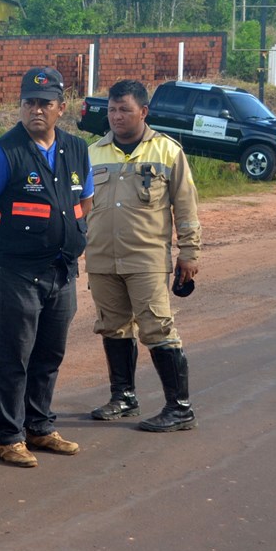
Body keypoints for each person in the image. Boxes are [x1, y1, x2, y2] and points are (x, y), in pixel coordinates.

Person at [0, 66, 93, 468]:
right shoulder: (3, 153)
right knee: (15, 357)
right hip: (18, 274)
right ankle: (9, 436)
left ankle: (39, 427)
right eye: (29, 103)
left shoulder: (76, 149)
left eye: (45, 103)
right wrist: (8, 240)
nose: (36, 110)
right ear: (20, 107)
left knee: (49, 355)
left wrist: (71, 233)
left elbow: (85, 201)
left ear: (60, 108)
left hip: (60, 271)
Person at [84, 78, 202, 433]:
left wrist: (189, 251)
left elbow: (185, 205)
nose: (117, 117)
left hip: (146, 259)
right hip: (102, 259)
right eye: (112, 110)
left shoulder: (167, 151)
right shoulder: (93, 153)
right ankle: (124, 397)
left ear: (143, 112)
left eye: (125, 110)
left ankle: (179, 408)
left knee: (157, 328)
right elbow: (78, 206)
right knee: (113, 326)